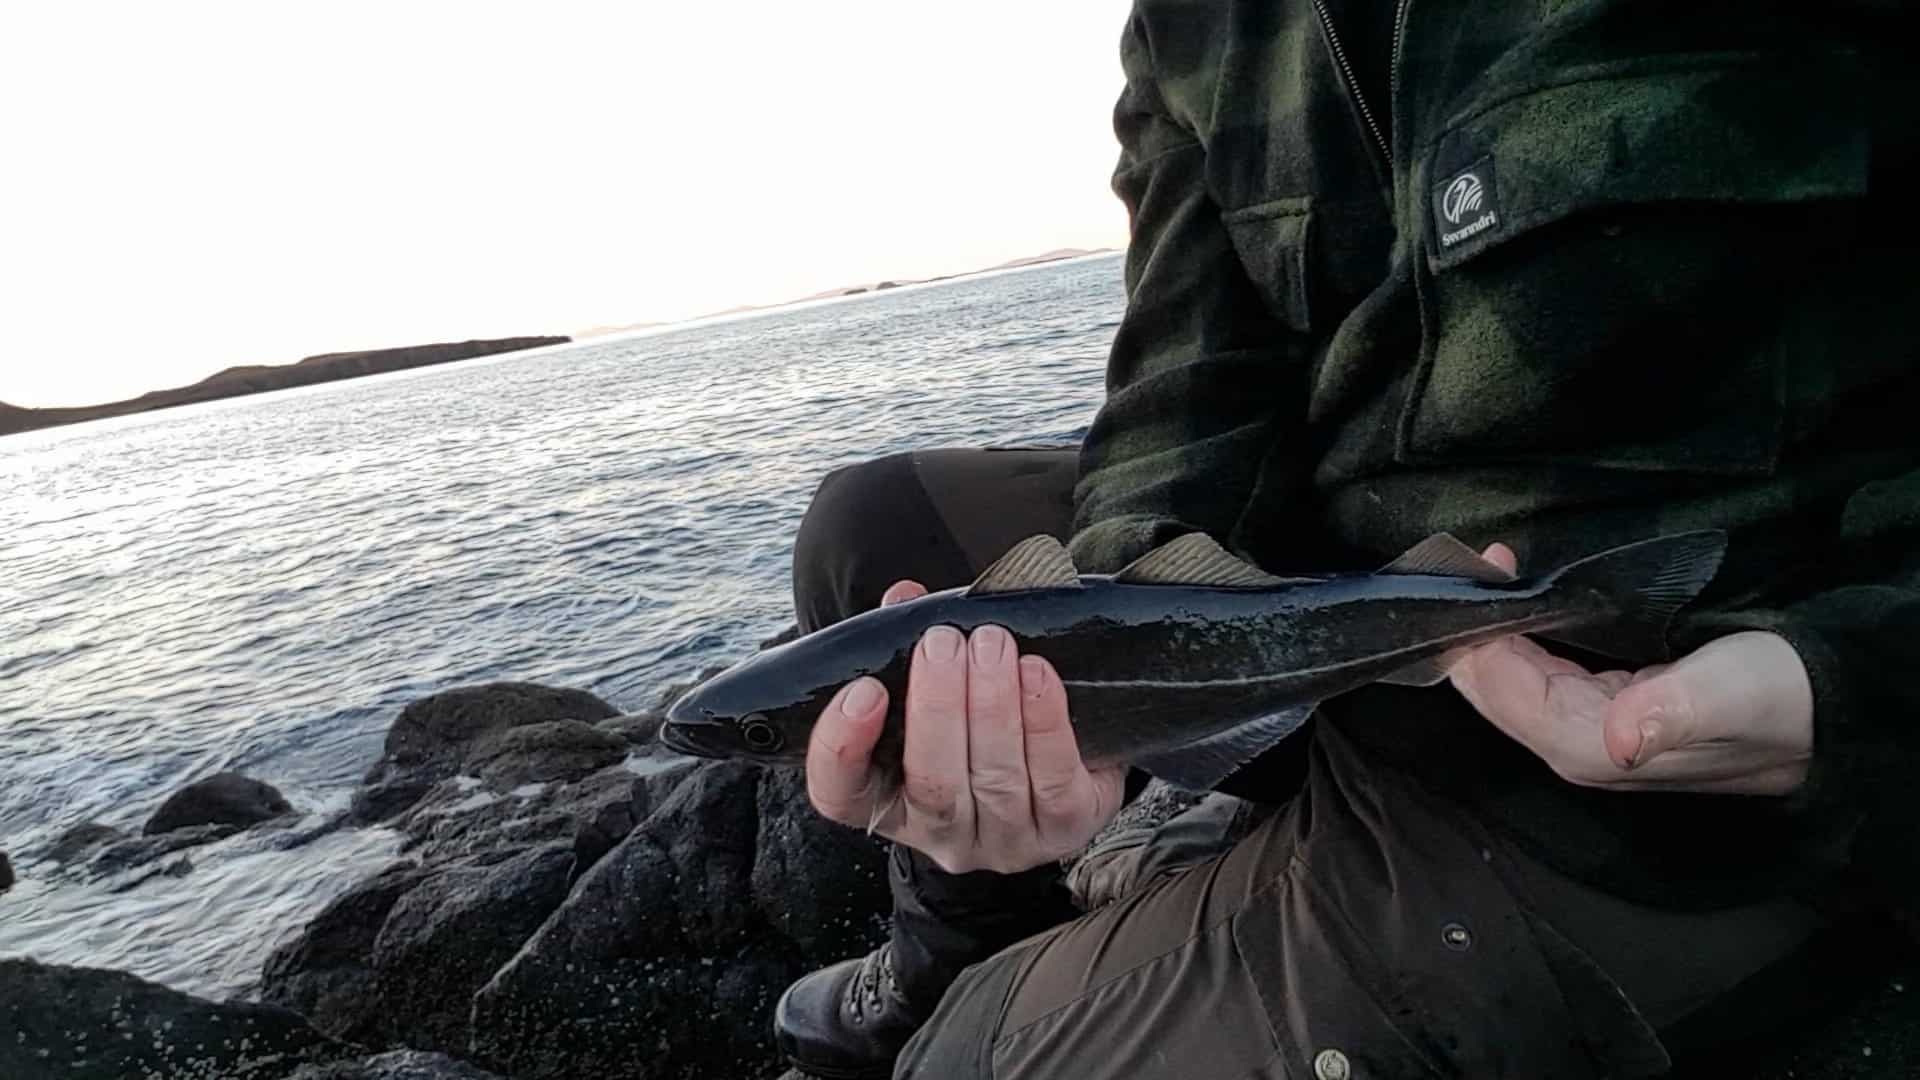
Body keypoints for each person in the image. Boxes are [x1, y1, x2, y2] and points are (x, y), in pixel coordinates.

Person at [774, 1, 1919, 1077]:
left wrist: (1859, 687)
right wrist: (1121, 649)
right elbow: (1191, 380)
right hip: (1349, 570)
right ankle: (978, 921)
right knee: (867, 531)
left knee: (962, 1064)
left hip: (1630, 754)